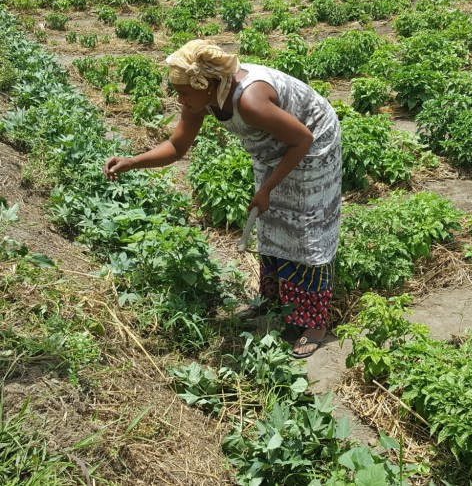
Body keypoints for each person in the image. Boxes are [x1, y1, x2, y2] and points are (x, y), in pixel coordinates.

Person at [103, 39, 342, 358]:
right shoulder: (203, 100)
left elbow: (302, 139)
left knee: (304, 231)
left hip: (312, 147)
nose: (179, 99)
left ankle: (314, 323)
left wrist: (267, 188)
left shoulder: (250, 101)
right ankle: (271, 305)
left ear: (207, 84)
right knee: (271, 223)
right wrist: (133, 161)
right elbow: (177, 147)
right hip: (276, 146)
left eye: (183, 91)